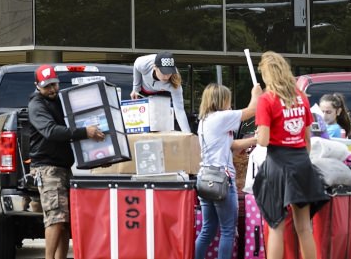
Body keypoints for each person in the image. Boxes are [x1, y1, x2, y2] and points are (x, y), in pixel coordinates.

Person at [253, 52, 329, 259]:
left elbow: (263, 141)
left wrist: (258, 132)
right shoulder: (301, 97)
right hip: (301, 162)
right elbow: (307, 137)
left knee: (276, 225)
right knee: (304, 226)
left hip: (278, 163)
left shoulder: (266, 100)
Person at [28, 64, 105, 259]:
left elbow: (77, 120)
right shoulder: (37, 105)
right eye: (47, 86)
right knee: (56, 218)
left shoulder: (60, 101)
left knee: (66, 222)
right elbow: (51, 131)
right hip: (47, 169)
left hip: (63, 168)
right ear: (37, 86)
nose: (52, 89)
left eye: (54, 84)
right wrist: (84, 132)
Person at [195, 82, 261, 259]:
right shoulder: (221, 117)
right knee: (227, 230)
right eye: (228, 100)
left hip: (205, 178)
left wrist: (255, 139)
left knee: (207, 229)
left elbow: (231, 145)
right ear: (221, 100)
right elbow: (252, 109)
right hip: (221, 180)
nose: (230, 104)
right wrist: (255, 92)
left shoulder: (206, 120)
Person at [130, 51, 192, 133]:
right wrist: (136, 88)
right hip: (144, 90)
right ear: (155, 67)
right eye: (163, 72)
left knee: (161, 122)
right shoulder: (144, 64)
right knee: (142, 120)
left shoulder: (174, 83)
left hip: (162, 93)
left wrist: (187, 133)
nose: (166, 76)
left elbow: (179, 110)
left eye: (169, 72)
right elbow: (136, 65)